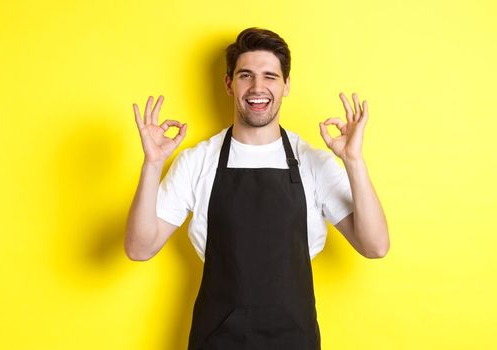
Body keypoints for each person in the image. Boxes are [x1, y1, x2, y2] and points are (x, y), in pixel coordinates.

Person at [124, 27, 389, 350]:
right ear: (229, 84)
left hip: (294, 338)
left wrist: (353, 161)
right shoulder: (198, 161)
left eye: (270, 76)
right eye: (245, 75)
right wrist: (152, 164)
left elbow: (374, 246)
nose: (257, 87)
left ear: (286, 85)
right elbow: (139, 249)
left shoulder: (313, 162)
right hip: (217, 339)